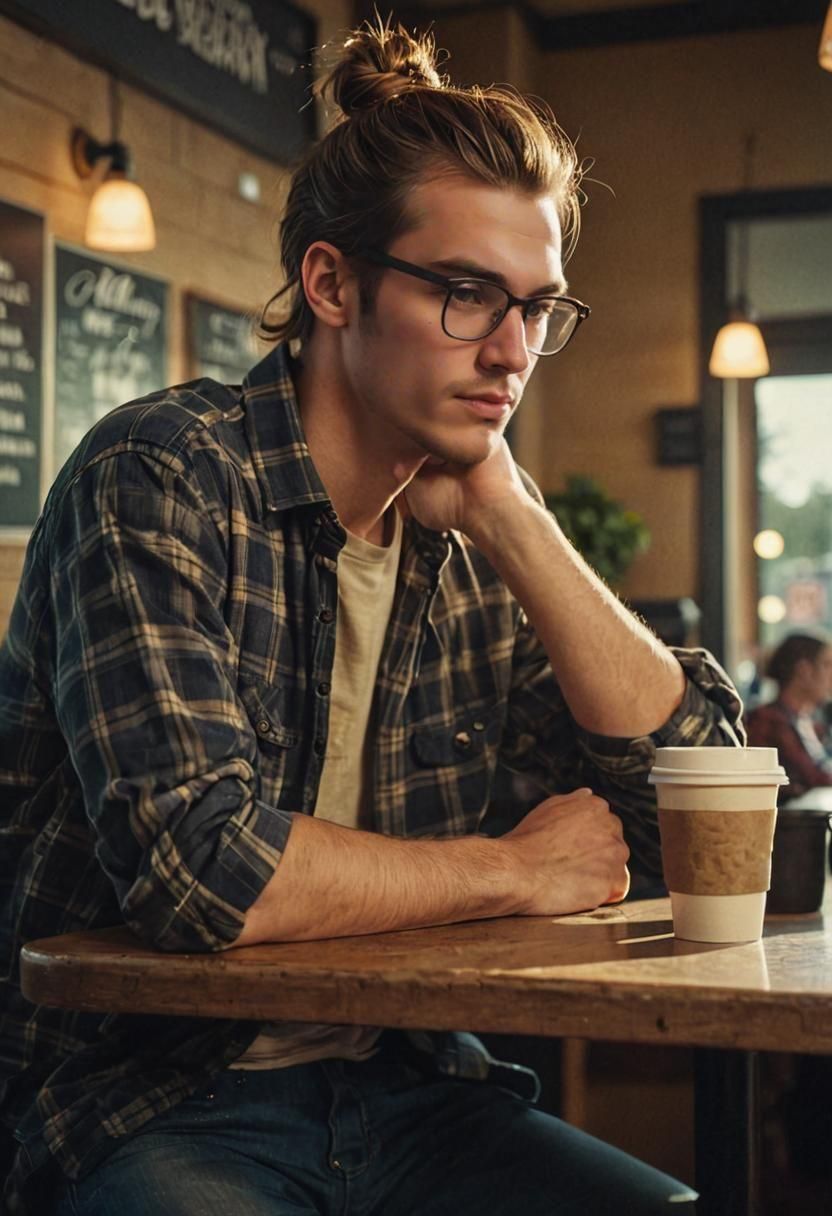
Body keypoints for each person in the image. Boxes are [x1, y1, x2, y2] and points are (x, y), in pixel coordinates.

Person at [0, 20, 744, 1216]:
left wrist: (511, 513)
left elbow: (695, 829)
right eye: (464, 294)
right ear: (331, 283)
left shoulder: (473, 531)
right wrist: (511, 870)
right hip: (150, 1104)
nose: (510, 352)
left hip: (413, 1089)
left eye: (536, 308)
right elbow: (202, 870)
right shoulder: (162, 476)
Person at [746, 632, 832, 801]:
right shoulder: (767, 721)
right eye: (827, 664)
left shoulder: (811, 723)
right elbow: (813, 779)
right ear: (803, 671)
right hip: (790, 824)